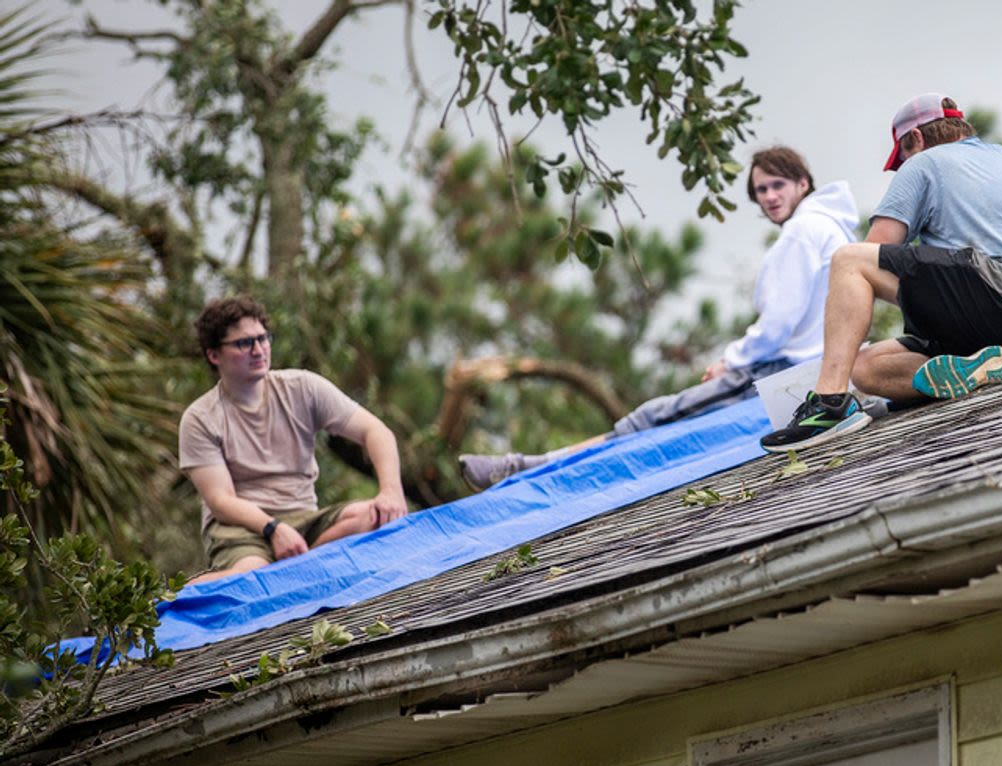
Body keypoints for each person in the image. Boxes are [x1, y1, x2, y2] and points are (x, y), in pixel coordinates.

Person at [459, 146, 859, 489]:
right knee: (659, 420)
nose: (769, 196)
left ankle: (528, 468)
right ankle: (532, 464)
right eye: (761, 190)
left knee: (654, 419)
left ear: (803, 183)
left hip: (779, 368)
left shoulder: (801, 232)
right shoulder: (832, 229)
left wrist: (730, 361)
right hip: (821, 365)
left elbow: (778, 323)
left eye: (778, 185)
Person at [759, 93, 1002, 452]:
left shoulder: (923, 164)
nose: (903, 163)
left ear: (915, 139)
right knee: (864, 368)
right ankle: (968, 372)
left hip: (992, 296)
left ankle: (829, 404)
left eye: (902, 155)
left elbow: (874, 252)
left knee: (849, 261)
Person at [178, 296, 407, 584]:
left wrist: (391, 492)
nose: (259, 349)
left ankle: (296, 567)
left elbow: (377, 432)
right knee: (250, 579)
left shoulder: (302, 387)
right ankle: (177, 597)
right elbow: (221, 501)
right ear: (214, 355)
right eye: (244, 343)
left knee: (375, 518)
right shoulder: (199, 418)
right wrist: (273, 529)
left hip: (304, 519)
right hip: (241, 529)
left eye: (263, 338)